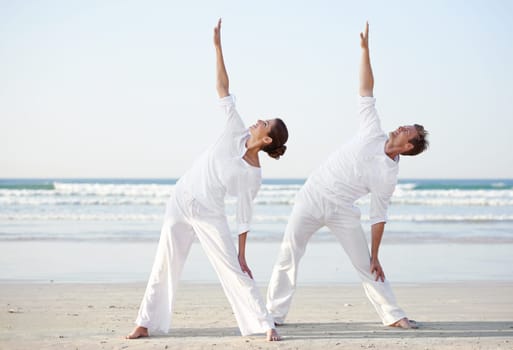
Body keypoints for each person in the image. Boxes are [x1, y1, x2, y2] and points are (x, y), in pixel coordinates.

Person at [126, 18, 287, 342]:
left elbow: (244, 216)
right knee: (164, 264)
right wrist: (217, 46)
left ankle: (263, 324)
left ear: (267, 140)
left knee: (234, 269)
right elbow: (223, 89)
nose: (257, 121)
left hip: (209, 213)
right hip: (181, 197)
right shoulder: (235, 128)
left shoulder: (252, 174)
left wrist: (242, 254)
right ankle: (145, 323)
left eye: (263, 123)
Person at [266, 22, 428, 329]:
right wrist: (365, 51)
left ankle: (392, 315)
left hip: (343, 210)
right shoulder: (372, 129)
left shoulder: (388, 174)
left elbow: (378, 216)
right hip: (313, 196)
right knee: (288, 255)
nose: (401, 126)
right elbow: (366, 90)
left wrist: (376, 254)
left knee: (366, 265)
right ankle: (272, 316)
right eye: (405, 124)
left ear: (408, 146)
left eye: (408, 130)